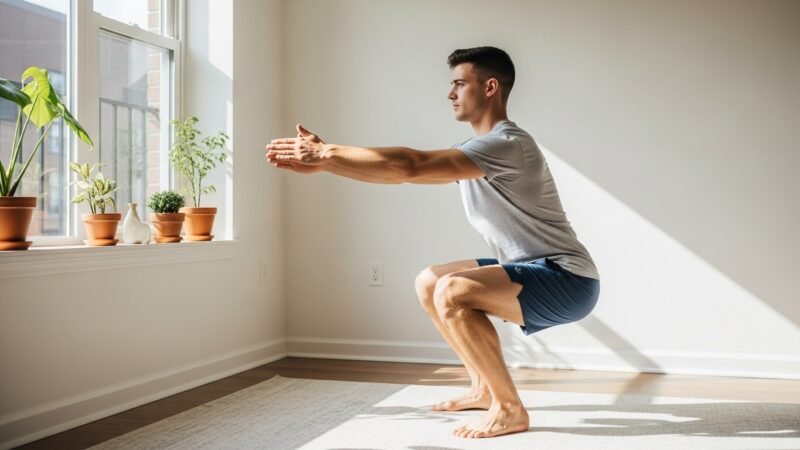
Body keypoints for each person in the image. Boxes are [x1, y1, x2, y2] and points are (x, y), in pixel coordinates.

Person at [266, 46, 600, 439]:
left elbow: (410, 164)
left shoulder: (507, 144)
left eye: (459, 83)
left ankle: (510, 409)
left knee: (452, 291)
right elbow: (398, 175)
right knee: (430, 281)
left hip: (568, 279)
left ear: (490, 87)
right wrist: (327, 163)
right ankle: (481, 388)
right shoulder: (474, 152)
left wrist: (327, 151)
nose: (450, 93)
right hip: (534, 268)